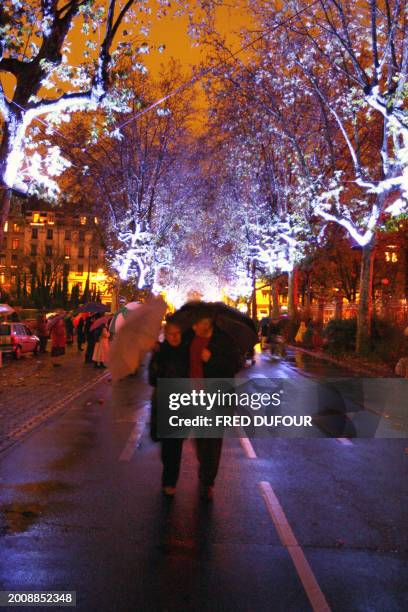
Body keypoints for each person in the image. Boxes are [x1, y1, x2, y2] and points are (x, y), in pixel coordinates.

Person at [187, 306, 241, 500]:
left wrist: (212, 359)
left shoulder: (223, 340)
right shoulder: (189, 339)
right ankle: (205, 467)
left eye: (199, 322)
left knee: (213, 441)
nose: (195, 326)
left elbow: (235, 364)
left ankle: (208, 479)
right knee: (200, 440)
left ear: (208, 322)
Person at [149, 317, 189, 497]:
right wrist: (156, 360)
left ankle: (170, 482)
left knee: (176, 445)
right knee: (166, 447)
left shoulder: (186, 351)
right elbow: (151, 379)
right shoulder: (160, 352)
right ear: (165, 335)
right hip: (164, 402)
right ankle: (168, 474)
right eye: (171, 334)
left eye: (177, 333)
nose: (175, 337)